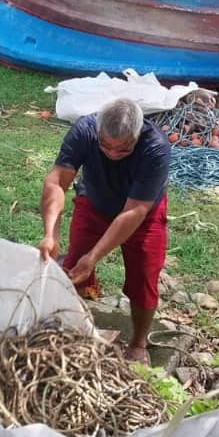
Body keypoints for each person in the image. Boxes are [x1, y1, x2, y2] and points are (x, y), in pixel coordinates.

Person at [37, 98, 170, 364]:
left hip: (141, 213)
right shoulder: (84, 131)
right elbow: (56, 182)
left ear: (137, 135)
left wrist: (95, 256)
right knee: (74, 267)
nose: (112, 153)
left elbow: (134, 211)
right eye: (105, 145)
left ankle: (139, 342)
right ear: (97, 131)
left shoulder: (156, 146)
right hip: (95, 201)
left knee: (144, 275)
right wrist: (51, 233)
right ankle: (74, 327)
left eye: (123, 149)